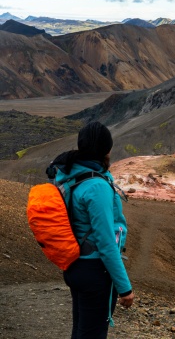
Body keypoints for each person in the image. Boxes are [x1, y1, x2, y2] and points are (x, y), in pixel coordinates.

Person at [50, 121, 134, 338]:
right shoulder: (96, 187)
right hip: (95, 271)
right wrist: (124, 288)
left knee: (81, 331)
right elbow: (106, 244)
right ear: (105, 149)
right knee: (92, 334)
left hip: (76, 265)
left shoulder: (72, 176)